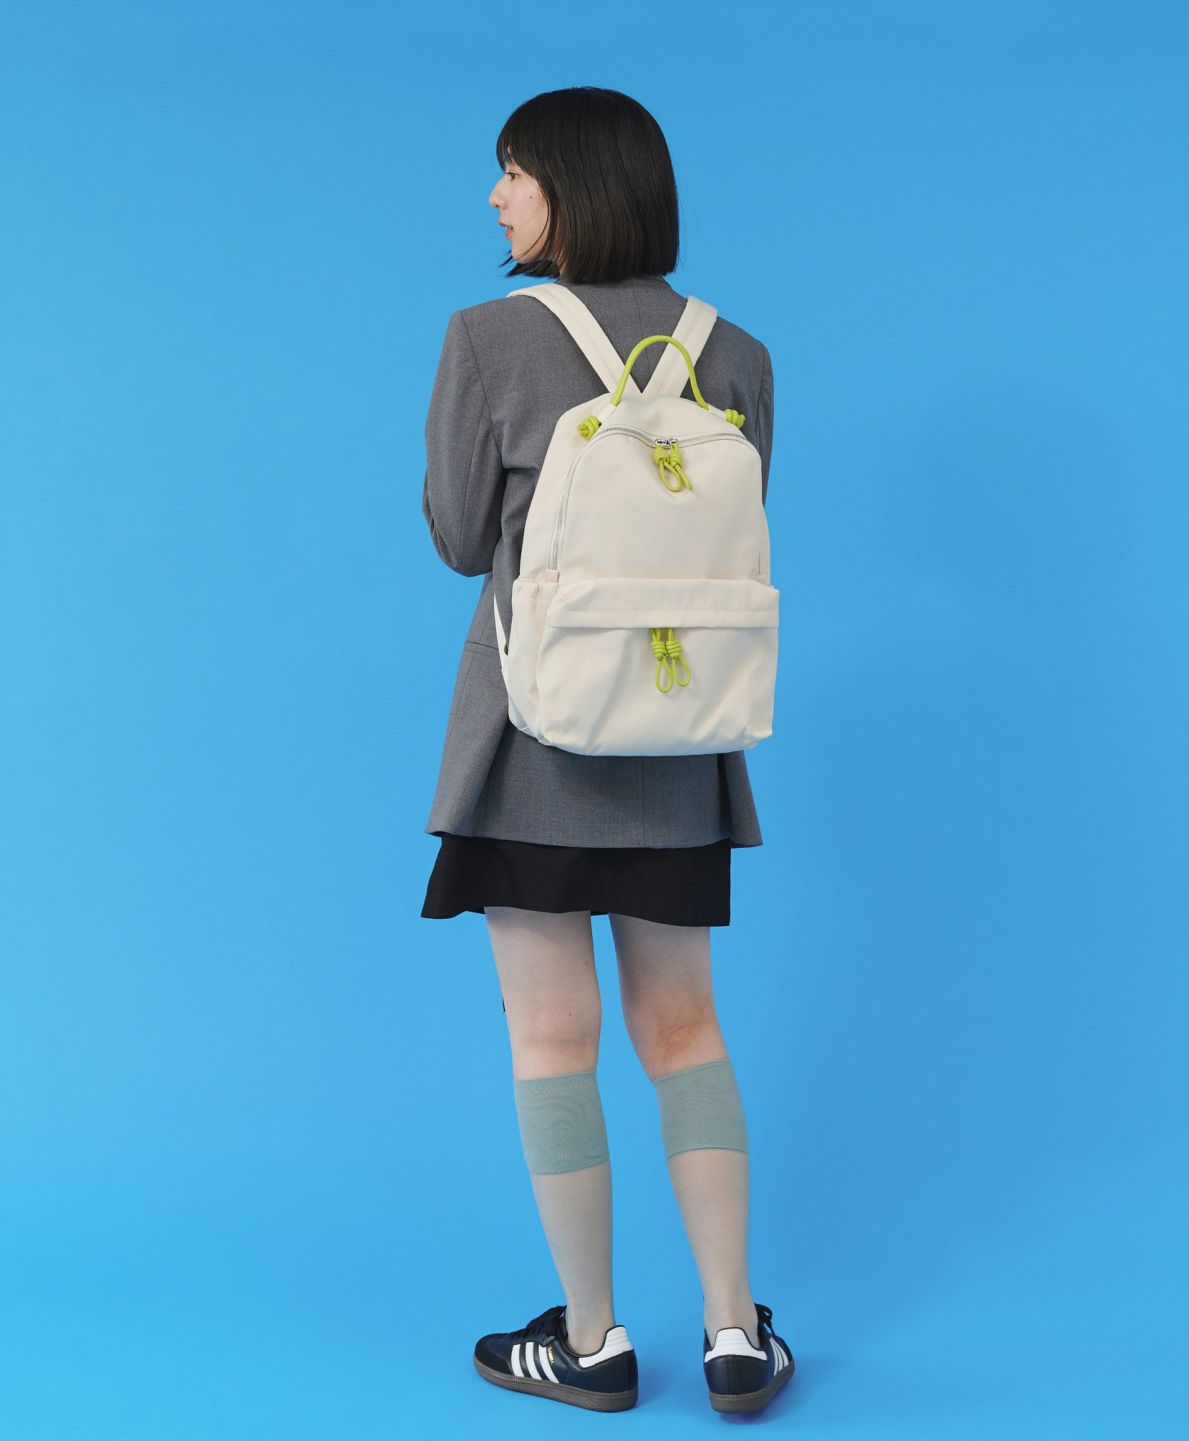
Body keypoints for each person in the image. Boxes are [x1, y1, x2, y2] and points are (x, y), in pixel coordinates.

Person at [418, 86, 793, 1415]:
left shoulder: (488, 339)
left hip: (532, 736)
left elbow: (458, 535)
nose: (496, 198)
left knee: (551, 1036)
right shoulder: (736, 353)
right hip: (680, 742)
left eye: (513, 174)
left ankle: (591, 1337)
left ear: (567, 190)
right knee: (686, 1028)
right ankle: (735, 1332)